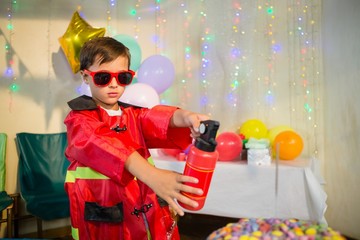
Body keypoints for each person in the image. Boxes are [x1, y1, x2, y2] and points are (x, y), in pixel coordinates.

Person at [64, 36, 209, 240]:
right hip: (104, 207)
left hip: (142, 202)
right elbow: (100, 142)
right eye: (103, 78)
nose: (114, 85)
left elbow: (158, 119)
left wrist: (186, 117)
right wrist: (152, 175)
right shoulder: (79, 119)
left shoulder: (132, 115)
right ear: (86, 77)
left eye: (122, 77)